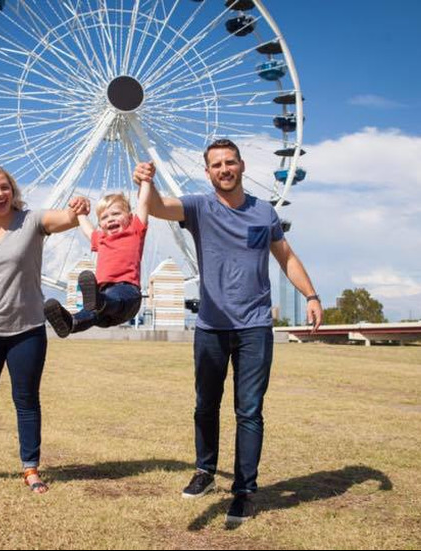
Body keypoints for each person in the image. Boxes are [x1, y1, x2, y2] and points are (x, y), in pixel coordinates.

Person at [132, 139, 323, 524]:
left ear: (242, 165)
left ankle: (245, 491)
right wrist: (144, 182)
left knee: (249, 411)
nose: (224, 169)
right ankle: (204, 470)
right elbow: (154, 208)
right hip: (211, 327)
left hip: (254, 326)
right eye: (216, 164)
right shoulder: (198, 208)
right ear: (207, 172)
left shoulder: (263, 212)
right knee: (205, 404)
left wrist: (312, 294)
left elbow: (285, 256)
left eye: (230, 162)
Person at [0, 165, 90, 494]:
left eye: (4, 187)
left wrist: (78, 208)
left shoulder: (32, 221)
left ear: (12, 190)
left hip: (27, 329)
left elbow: (67, 219)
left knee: (26, 400)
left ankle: (30, 468)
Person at [43, 181, 150, 337]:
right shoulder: (100, 239)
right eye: (105, 217)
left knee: (106, 300)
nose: (111, 219)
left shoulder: (135, 231)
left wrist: (146, 180)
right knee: (90, 312)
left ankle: (101, 303)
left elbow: (144, 203)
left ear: (130, 217)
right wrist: (80, 212)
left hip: (127, 296)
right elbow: (86, 228)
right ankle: (70, 323)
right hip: (102, 299)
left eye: (116, 214)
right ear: (100, 224)